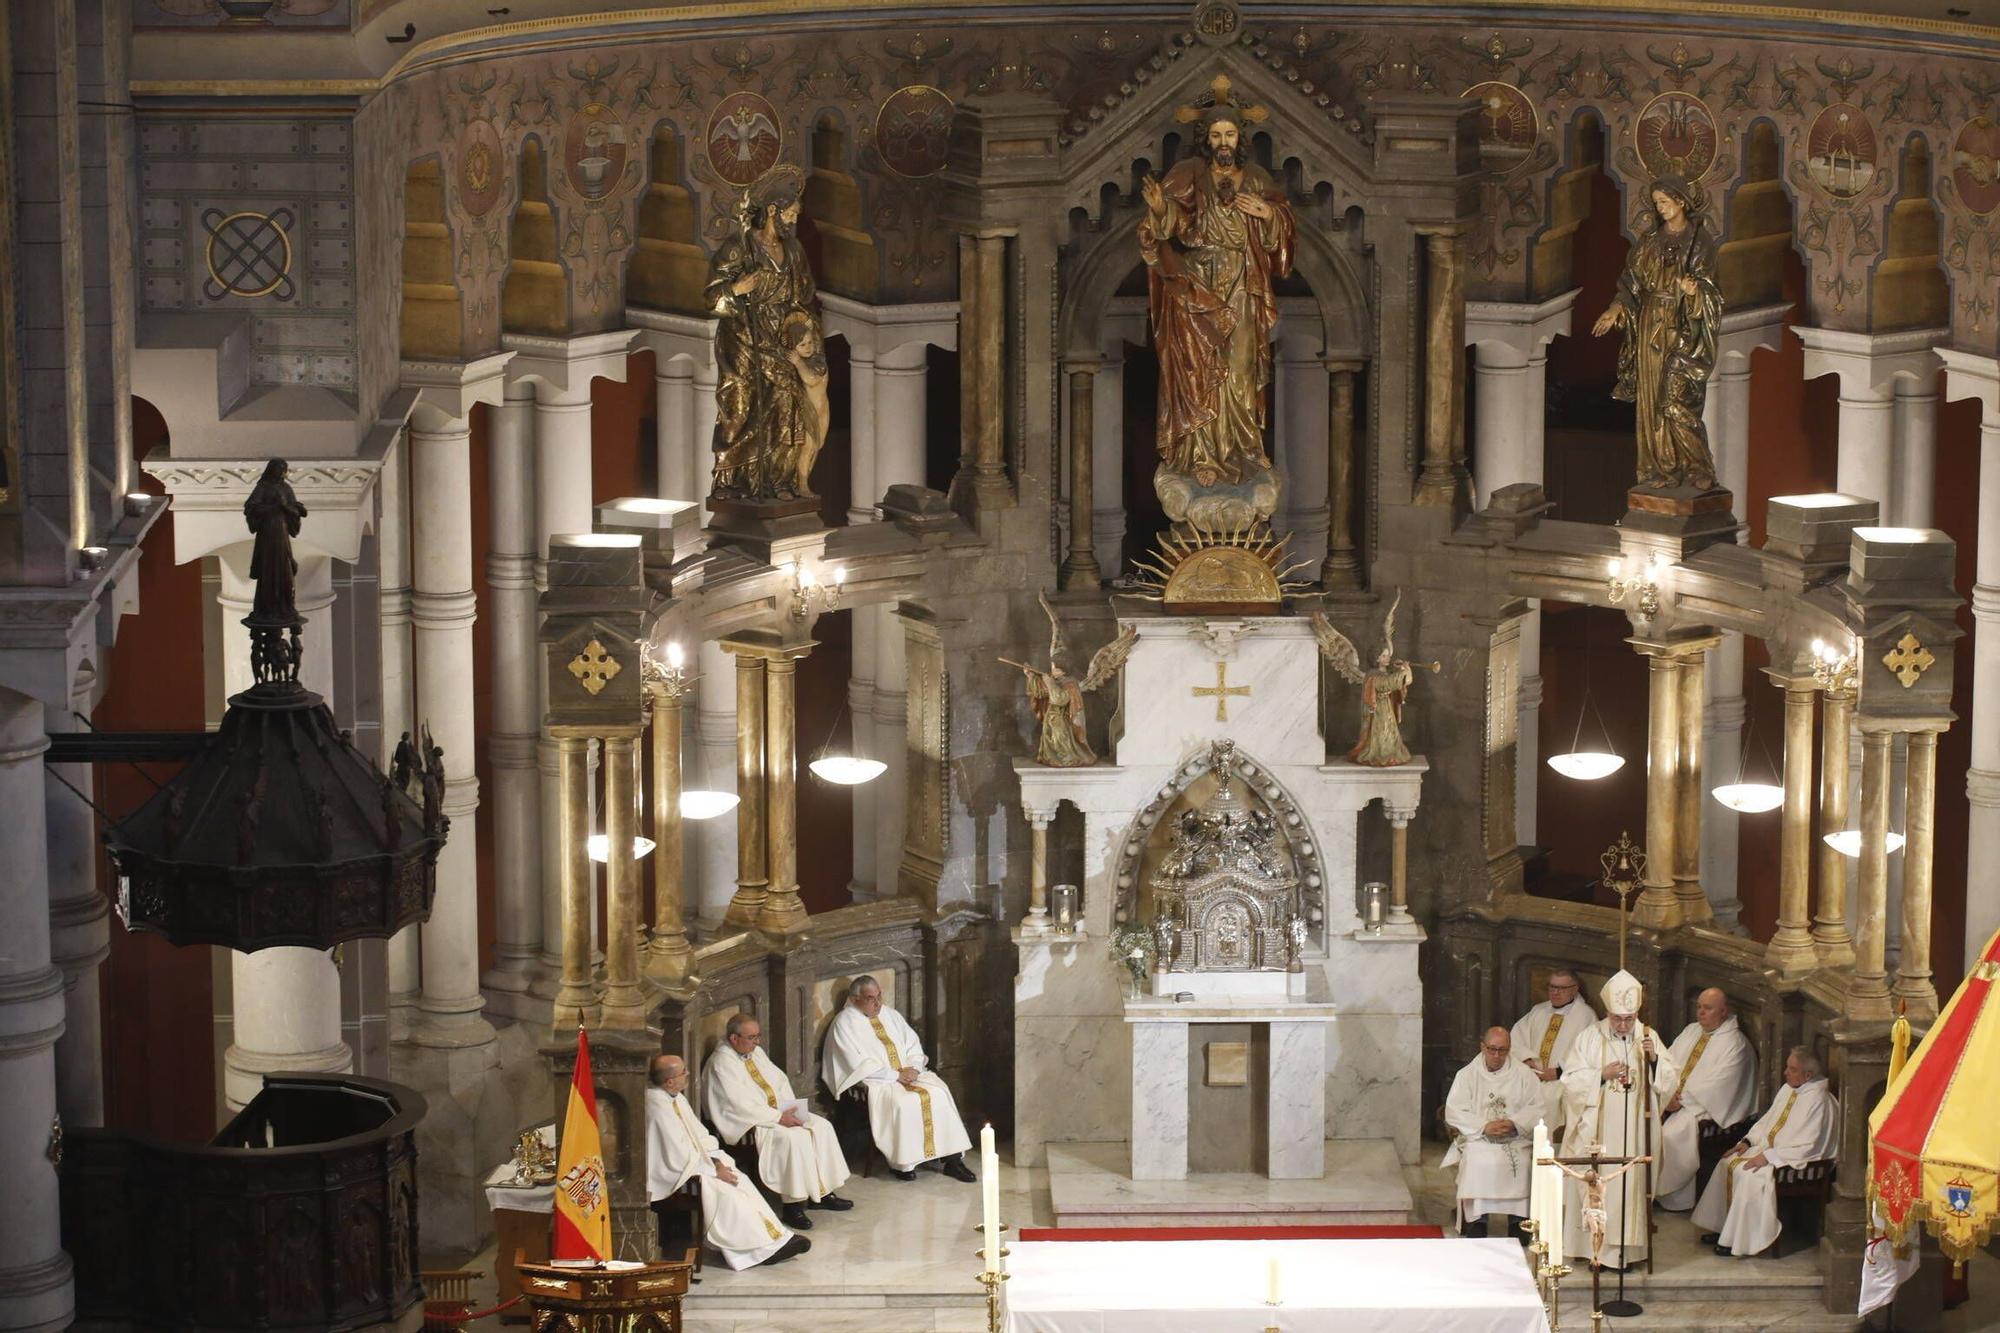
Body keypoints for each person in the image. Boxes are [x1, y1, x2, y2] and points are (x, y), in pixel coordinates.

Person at [1138, 103, 1297, 492]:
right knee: (1198, 371)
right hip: (1198, 288)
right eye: (1216, 135)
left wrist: (1267, 214)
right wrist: (1161, 209)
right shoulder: (1190, 174)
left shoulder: (1256, 178)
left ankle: (1244, 448)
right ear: (1205, 141)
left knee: (1240, 372)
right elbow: (1169, 224)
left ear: (1240, 138)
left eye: (1229, 135)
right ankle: (1200, 456)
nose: (1223, 143)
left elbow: (1283, 230)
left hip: (1243, 284)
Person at [1589, 173, 1722, 491]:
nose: (1660, 208)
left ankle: (1698, 465)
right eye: (1657, 203)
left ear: (1681, 202)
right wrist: (1615, 308)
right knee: (1650, 400)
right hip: (1650, 323)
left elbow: (1711, 291)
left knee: (1676, 400)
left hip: (1682, 327)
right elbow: (1631, 282)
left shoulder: (1699, 242)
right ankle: (1659, 469)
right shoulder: (1649, 242)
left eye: (1665, 202)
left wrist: (1694, 293)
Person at [707, 163, 824, 501]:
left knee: (784, 410)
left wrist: (804, 336)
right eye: (789, 215)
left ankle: (777, 480)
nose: (793, 222)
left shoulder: (794, 252)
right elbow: (710, 298)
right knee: (739, 410)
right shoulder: (739, 248)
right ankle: (730, 480)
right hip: (742, 341)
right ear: (772, 211)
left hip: (780, 341)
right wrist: (737, 290)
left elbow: (804, 297)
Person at [1559, 969, 1680, 1269]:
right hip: (1598, 1134)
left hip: (1636, 1132)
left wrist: (1653, 1061)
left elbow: (1670, 1079)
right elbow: (1570, 1081)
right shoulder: (1589, 1038)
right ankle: (1592, 1251)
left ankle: (1626, 1253)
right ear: (1607, 1012)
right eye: (1617, 1018)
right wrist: (1600, 1075)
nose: (1624, 1025)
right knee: (1598, 1184)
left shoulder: (1648, 1037)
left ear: (1637, 1012)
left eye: (1629, 1018)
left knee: (1629, 1188)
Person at [645, 1054, 808, 1269]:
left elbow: (698, 1134)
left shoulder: (675, 1097)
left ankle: (774, 1237)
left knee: (739, 1179)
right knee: (725, 1191)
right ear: (669, 1081)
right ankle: (752, 1251)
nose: (688, 1074)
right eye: (683, 1072)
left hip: (698, 1162)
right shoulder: (655, 1105)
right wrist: (712, 1169)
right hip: (676, 1172)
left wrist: (716, 1161)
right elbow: (674, 1153)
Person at [704, 1013, 853, 1231]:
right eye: (752, 1037)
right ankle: (793, 1206)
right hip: (751, 1122)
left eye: (758, 1036)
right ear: (734, 1039)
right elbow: (736, 1104)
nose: (758, 1042)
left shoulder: (755, 1053)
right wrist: (777, 1117)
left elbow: (780, 1080)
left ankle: (822, 1194)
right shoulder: (721, 1062)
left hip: (777, 1113)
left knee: (822, 1126)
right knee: (793, 1139)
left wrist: (789, 1109)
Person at [823, 975, 975, 1181]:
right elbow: (855, 1064)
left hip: (907, 1074)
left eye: (879, 996)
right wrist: (895, 1075)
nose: (878, 1003)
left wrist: (914, 1068)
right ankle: (903, 1164)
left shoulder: (890, 1014)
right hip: (878, 1081)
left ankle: (953, 1160)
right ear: (855, 998)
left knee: (939, 1092)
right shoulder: (844, 1023)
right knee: (904, 1103)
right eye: (870, 998)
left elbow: (912, 1043)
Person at [1692, 1047, 1839, 1257]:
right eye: (1787, 1067)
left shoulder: (1819, 1102)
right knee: (1727, 1162)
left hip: (1795, 1164)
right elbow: (1767, 1121)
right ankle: (1724, 1230)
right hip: (1768, 1151)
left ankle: (1741, 1241)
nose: (1786, 1073)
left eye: (1792, 1069)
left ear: (1808, 1075)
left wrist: (1770, 1157)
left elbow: (1810, 1146)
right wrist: (1747, 1141)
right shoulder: (1789, 1089)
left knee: (1749, 1175)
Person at [1656, 987, 1757, 1211]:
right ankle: (1647, 1188)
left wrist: (1679, 1102)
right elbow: (1667, 1061)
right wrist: (1667, 1093)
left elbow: (1719, 1085)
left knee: (1670, 1135)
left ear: (1723, 1011)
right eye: (1699, 1007)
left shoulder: (1735, 1044)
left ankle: (1672, 1197)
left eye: (1708, 1008)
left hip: (1706, 1107)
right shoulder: (1692, 1030)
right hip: (1674, 1099)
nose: (1701, 1013)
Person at [1441, 1027, 1546, 1240]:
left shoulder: (1524, 1074)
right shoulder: (1467, 1075)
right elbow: (1453, 1110)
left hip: (1515, 1138)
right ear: (1482, 1046)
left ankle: (1518, 1222)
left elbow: (1538, 1107)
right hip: (1480, 1138)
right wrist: (1483, 1126)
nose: (1497, 1055)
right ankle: (1477, 1222)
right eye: (1492, 1049)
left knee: (1522, 1162)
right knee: (1477, 1160)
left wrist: (1514, 1123)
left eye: (1502, 1050)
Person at [1511, 968, 1597, 1141]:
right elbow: (1517, 1037)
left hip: (1561, 1080)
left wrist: (1558, 1072)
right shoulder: (1538, 1010)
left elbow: (1589, 1055)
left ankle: (1547, 1155)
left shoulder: (1586, 1016)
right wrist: (1526, 1060)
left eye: (1561, 988)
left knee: (1549, 1101)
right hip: (1531, 1076)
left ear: (1575, 989)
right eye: (1552, 987)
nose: (1555, 992)